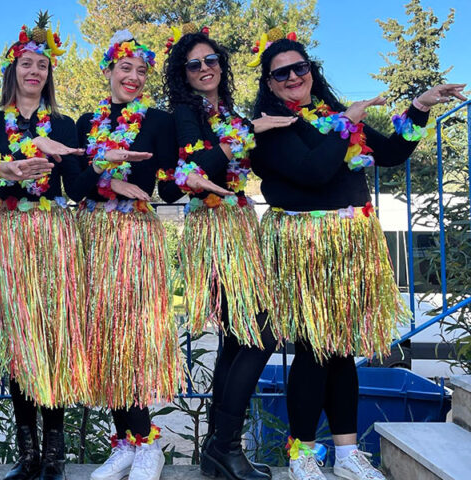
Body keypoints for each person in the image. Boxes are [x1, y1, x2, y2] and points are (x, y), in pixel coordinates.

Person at [250, 34, 466, 480]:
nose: (293, 77)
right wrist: (347, 123)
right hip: (306, 244)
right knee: (313, 348)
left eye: (300, 67)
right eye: (281, 73)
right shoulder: (272, 128)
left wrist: (419, 107)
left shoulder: (332, 116)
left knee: (342, 350)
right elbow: (313, 172)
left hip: (351, 242)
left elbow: (391, 153)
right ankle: (301, 453)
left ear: (311, 71)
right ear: (270, 84)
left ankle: (347, 453)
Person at [0, 13, 95, 480]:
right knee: (19, 342)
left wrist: (101, 163)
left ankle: (54, 456)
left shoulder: (64, 123)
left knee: (52, 338)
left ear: (49, 75)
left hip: (53, 234)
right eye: (27, 63)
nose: (34, 71)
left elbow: (73, 183)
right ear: (13, 69)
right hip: (8, 233)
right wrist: (28, 149)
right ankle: (28, 457)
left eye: (42, 66)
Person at [76, 30, 219, 480]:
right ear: (108, 70)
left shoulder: (157, 121)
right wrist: (108, 176)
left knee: (130, 339)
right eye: (125, 68)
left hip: (134, 235)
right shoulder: (87, 122)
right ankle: (126, 443)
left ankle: (147, 443)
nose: (134, 77)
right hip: (91, 234)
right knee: (104, 340)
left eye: (141, 70)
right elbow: (75, 186)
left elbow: (168, 185)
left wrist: (192, 177)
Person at [161, 27, 296, 480]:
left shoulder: (230, 113)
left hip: (241, 224)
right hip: (213, 227)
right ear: (183, 74)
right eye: (194, 64)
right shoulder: (185, 113)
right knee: (261, 333)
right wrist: (247, 131)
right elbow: (193, 169)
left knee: (240, 338)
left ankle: (219, 450)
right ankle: (225, 446)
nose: (205, 68)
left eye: (211, 60)